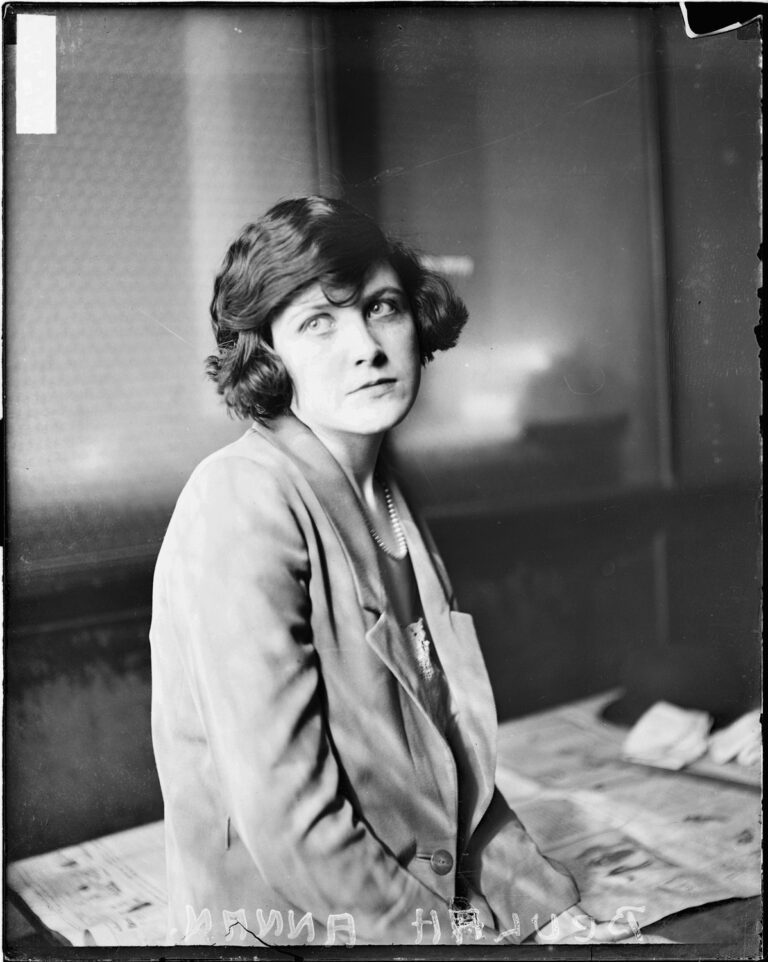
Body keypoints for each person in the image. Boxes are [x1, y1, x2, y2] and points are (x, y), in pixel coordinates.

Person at [149, 196, 633, 947]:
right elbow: (294, 828)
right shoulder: (240, 499)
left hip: (402, 900)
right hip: (286, 928)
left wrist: (556, 912)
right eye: (319, 322)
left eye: (382, 308)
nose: (367, 347)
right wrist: (451, 941)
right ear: (267, 355)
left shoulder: (386, 497)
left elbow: (453, 779)